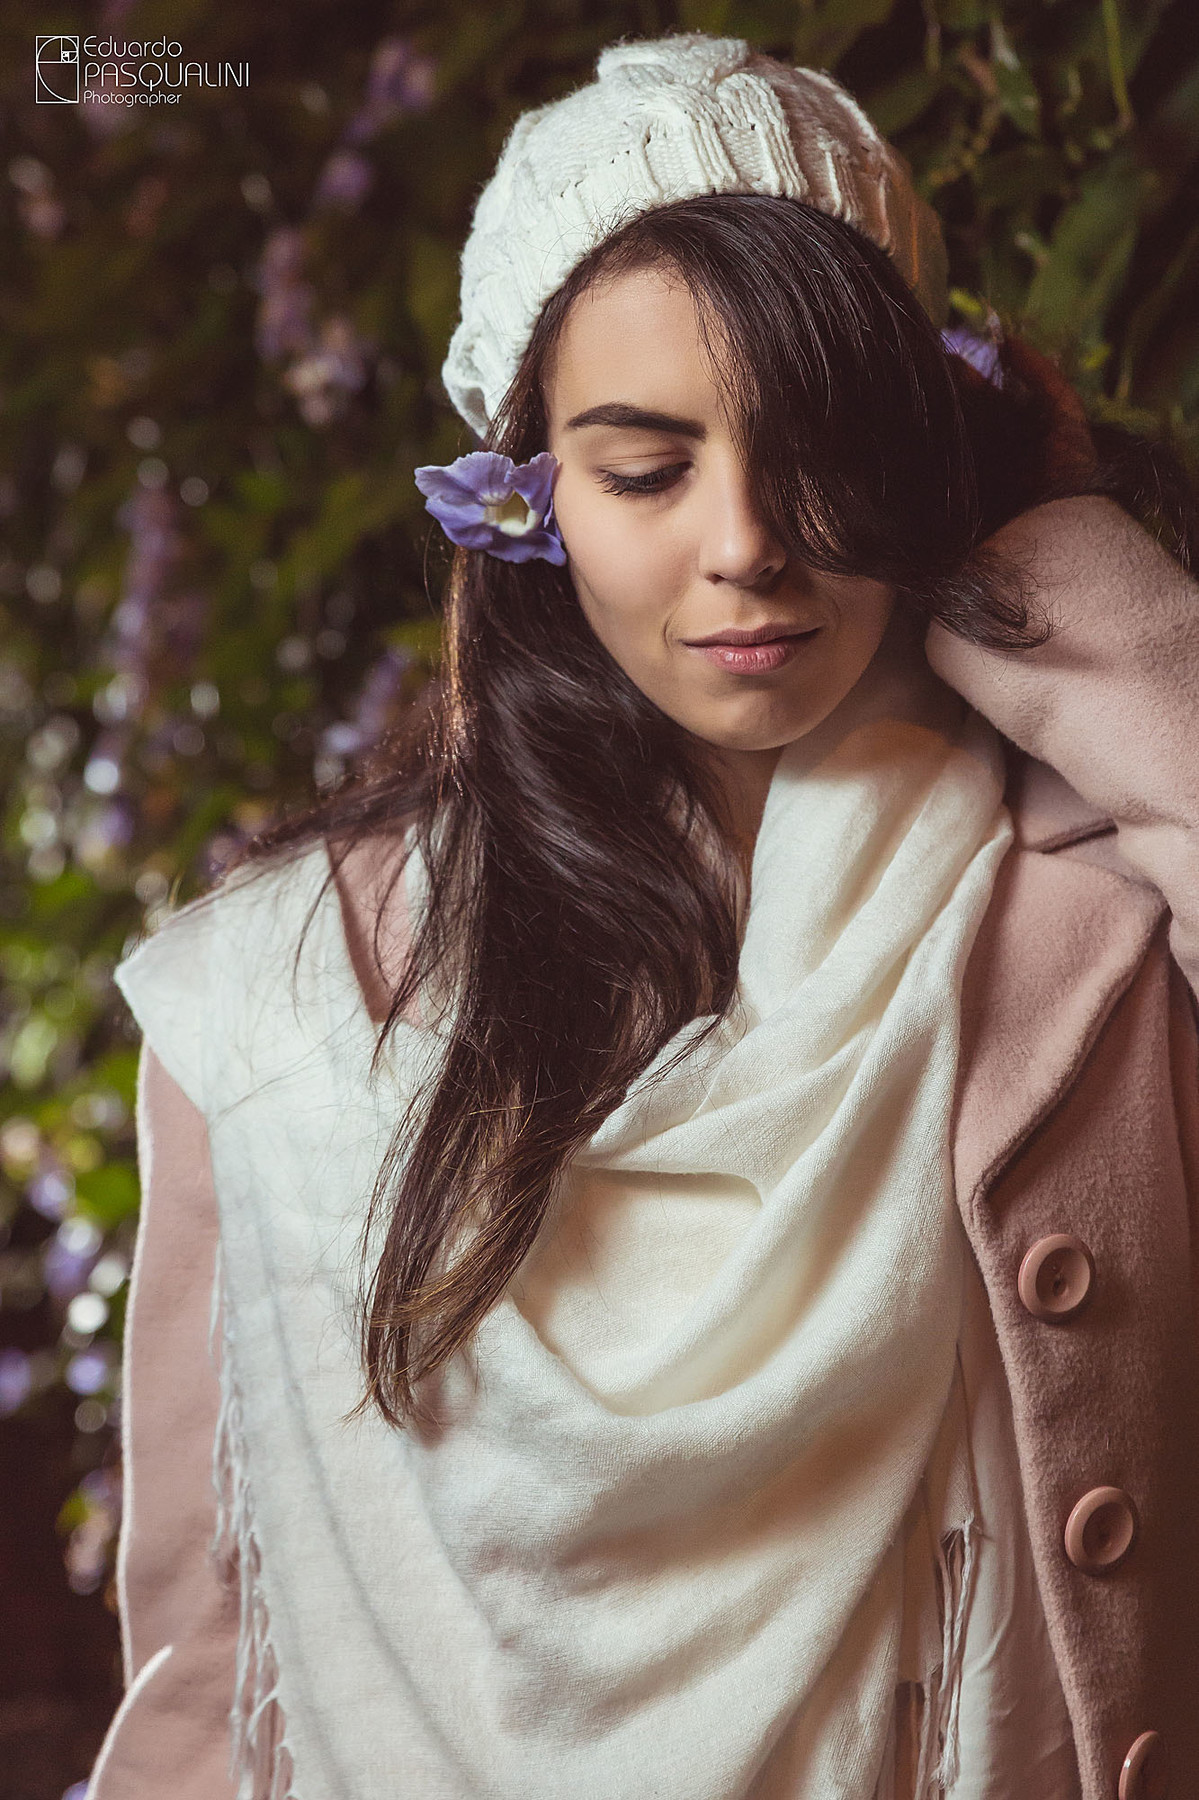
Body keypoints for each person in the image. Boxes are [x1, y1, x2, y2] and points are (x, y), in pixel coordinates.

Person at [88, 33, 1198, 1800]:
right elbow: (212, 1684)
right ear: (525, 500)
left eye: (824, 447)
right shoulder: (289, 1003)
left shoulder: (1099, 912)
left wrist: (1066, 576)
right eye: (645, 468)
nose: (747, 542)